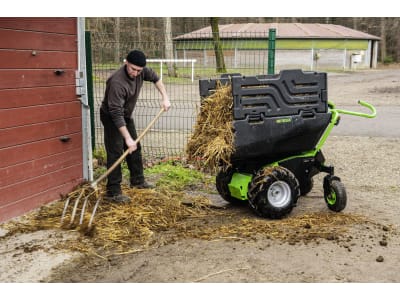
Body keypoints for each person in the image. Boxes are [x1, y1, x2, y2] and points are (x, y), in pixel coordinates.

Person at [100, 50, 171, 203]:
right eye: (133, 69)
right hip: (112, 117)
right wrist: (127, 138)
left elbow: (156, 79)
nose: (135, 73)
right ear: (126, 62)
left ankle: (137, 181)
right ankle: (113, 191)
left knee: (135, 148)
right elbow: (115, 114)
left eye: (139, 70)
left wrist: (165, 98)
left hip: (125, 114)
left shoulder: (141, 71)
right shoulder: (117, 82)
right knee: (116, 151)